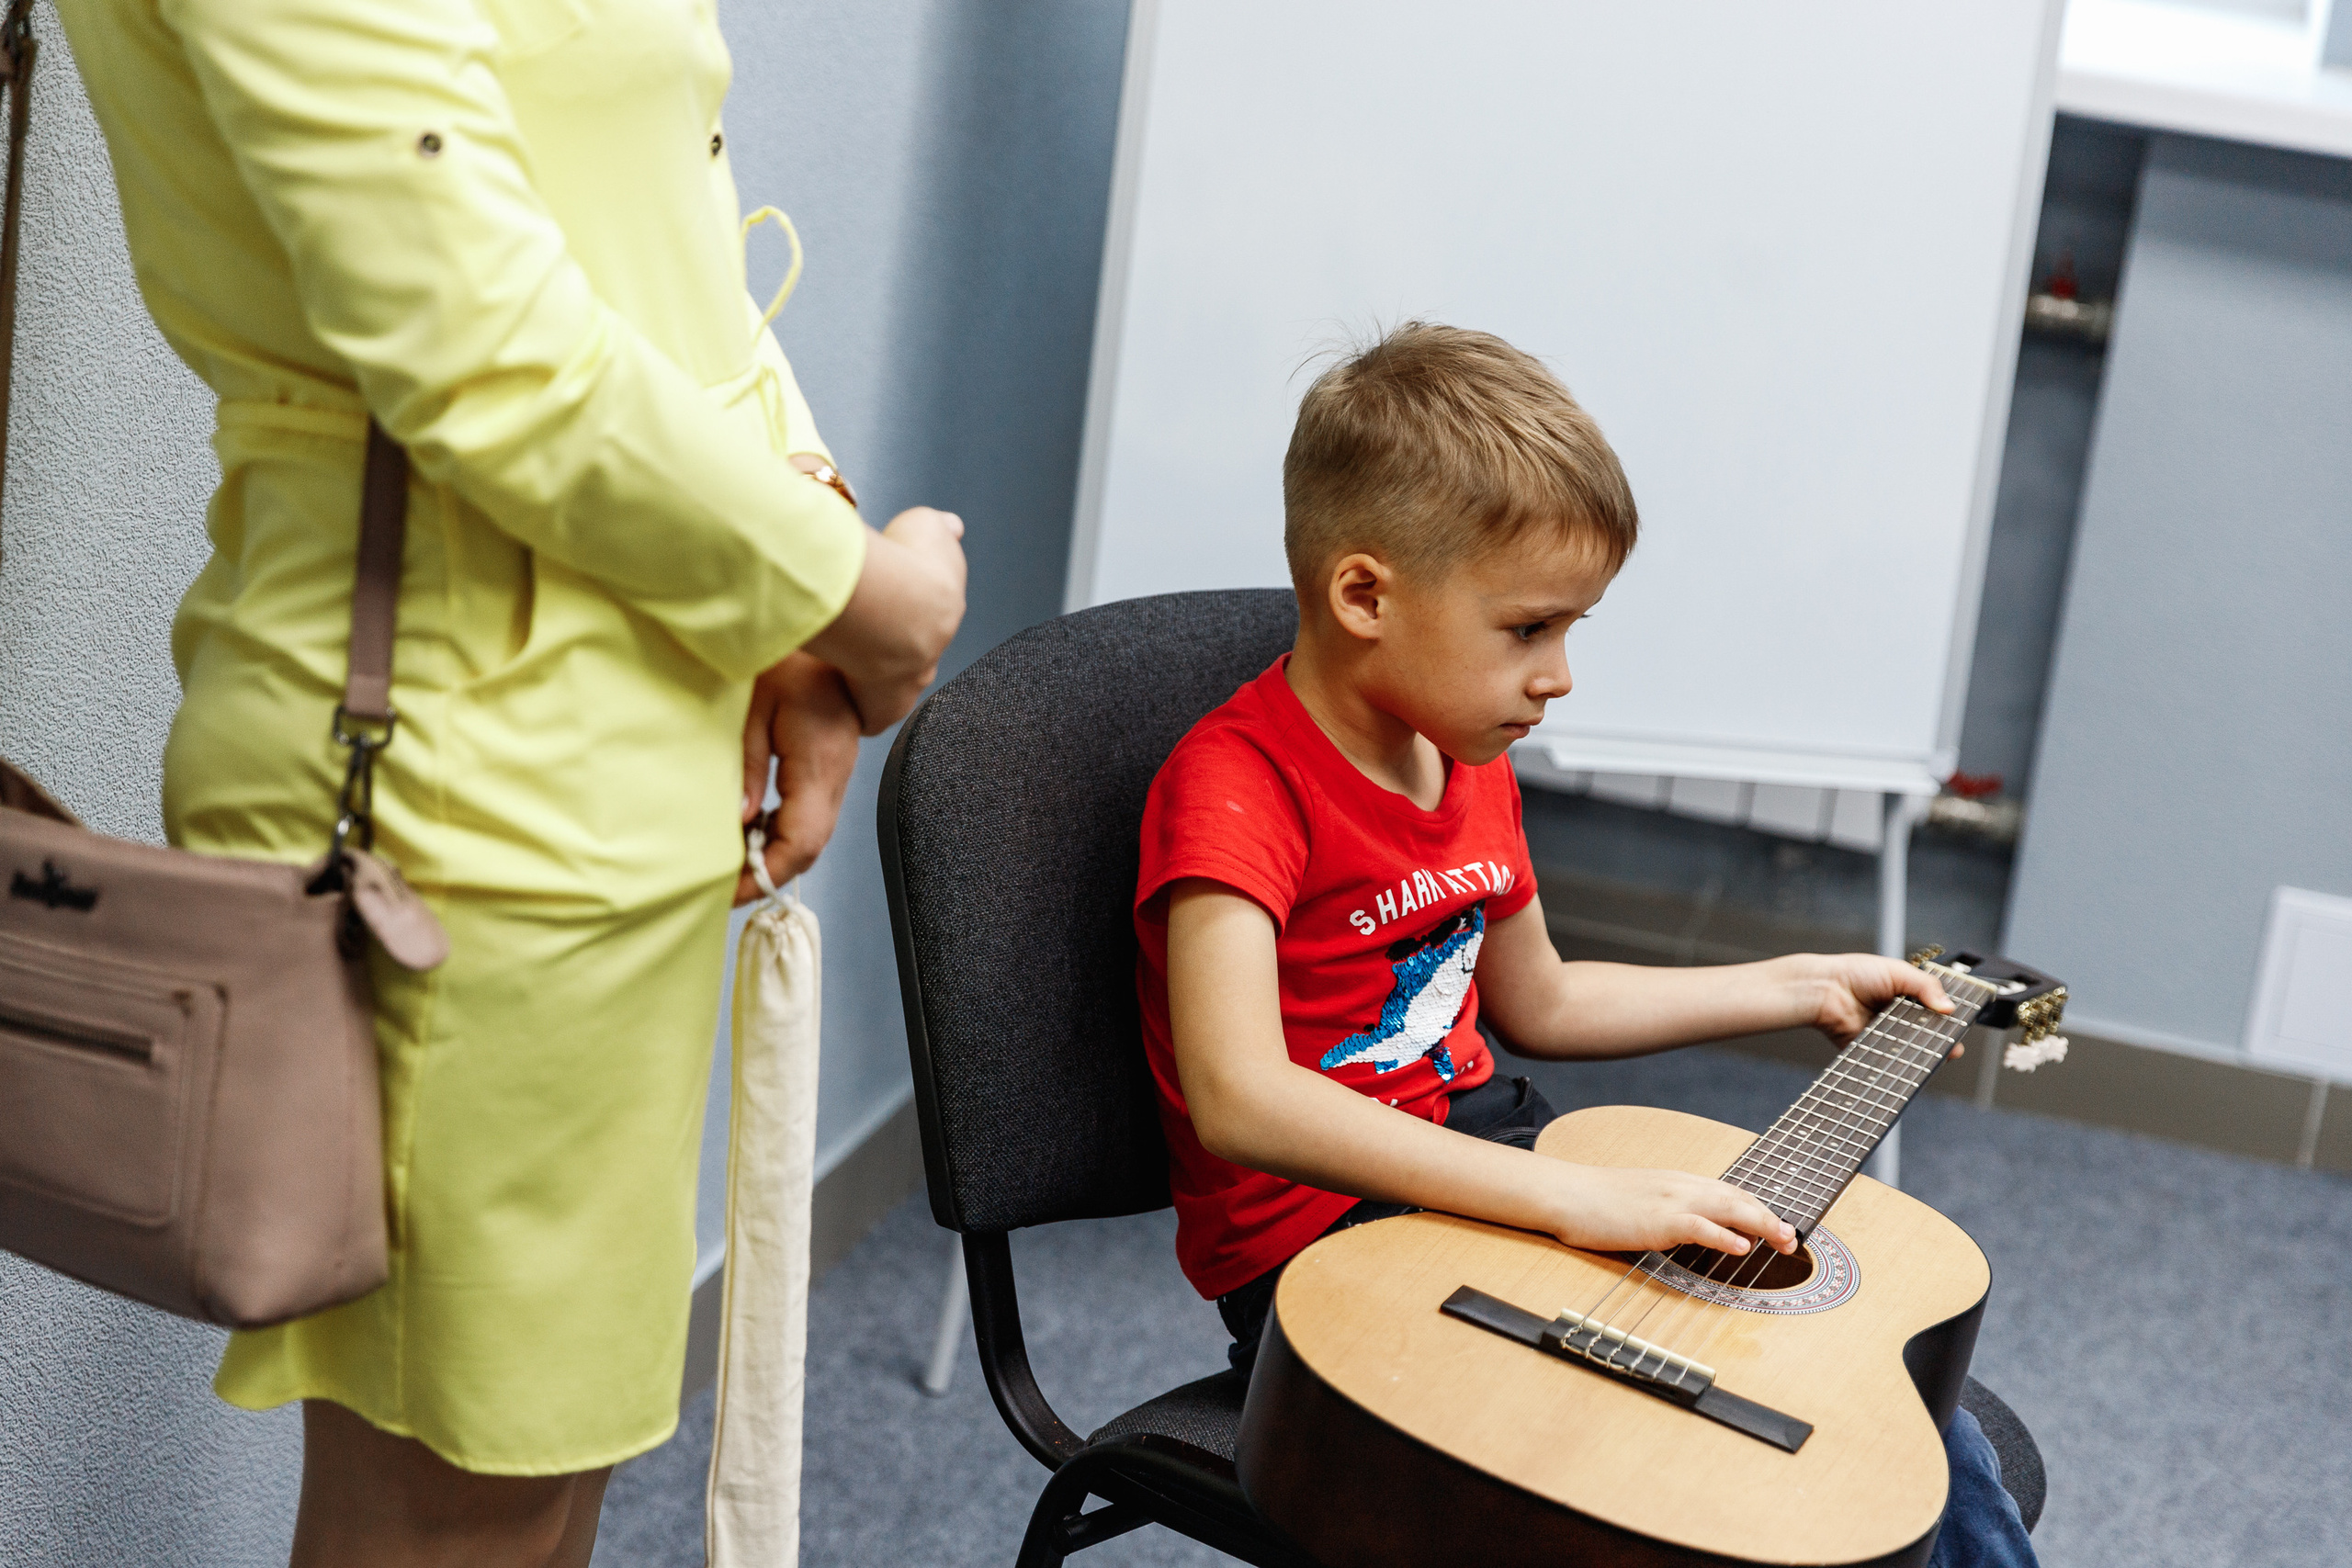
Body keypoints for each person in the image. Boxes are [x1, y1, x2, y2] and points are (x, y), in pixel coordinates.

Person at [54, 1, 965, 1562]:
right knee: (452, 1499)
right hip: (458, 778)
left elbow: (661, 222)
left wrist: (808, 534)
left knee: (552, 1463)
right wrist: (868, 608)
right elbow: (480, 340)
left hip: (626, 733)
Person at [1133, 323, 2037, 1567]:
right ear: (1363, 596)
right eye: (1528, 629)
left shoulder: (1464, 755)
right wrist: (1569, 1198)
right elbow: (1240, 1098)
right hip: (1326, 1243)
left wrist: (1792, 982)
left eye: (1573, 629)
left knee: (1908, 1449)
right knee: (1630, 1486)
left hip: (1490, 1160)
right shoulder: (1233, 787)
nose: (1558, 676)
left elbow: (1542, 1002)